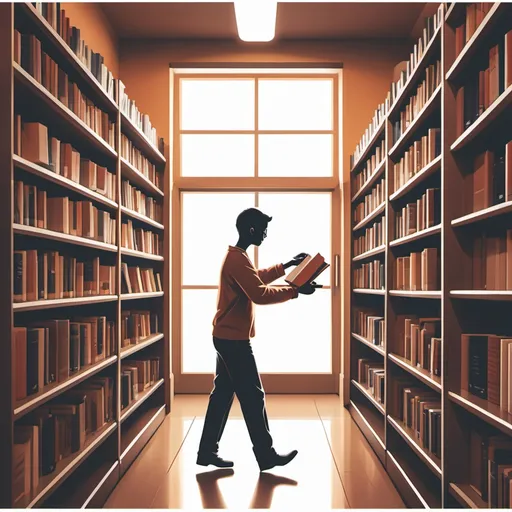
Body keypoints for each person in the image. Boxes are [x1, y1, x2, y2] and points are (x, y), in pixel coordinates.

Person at [196, 207, 320, 472]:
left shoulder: (237, 256)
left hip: (225, 336)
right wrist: (295, 291)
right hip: (233, 340)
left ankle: (207, 451)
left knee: (222, 396)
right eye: (264, 229)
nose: (266, 234)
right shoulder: (237, 259)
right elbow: (259, 293)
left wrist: (285, 266)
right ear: (252, 229)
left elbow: (254, 280)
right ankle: (265, 455)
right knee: (253, 395)